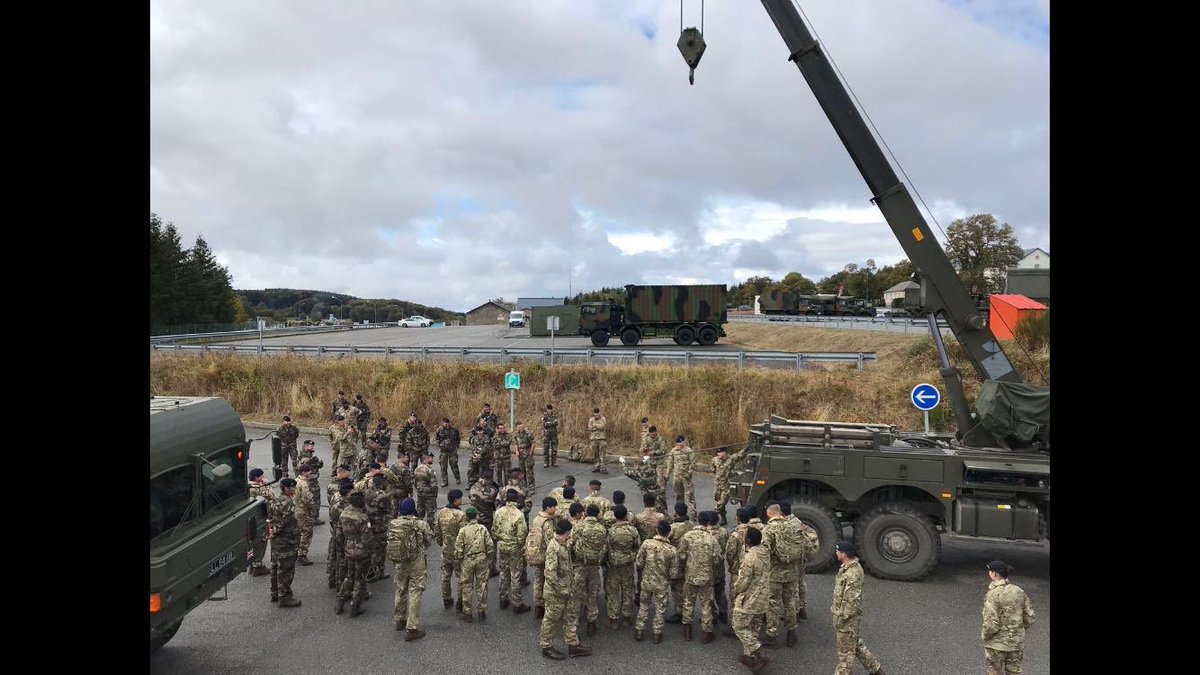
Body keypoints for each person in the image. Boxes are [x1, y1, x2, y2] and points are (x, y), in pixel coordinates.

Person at [540, 519, 592, 660]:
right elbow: (550, 574)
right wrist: (561, 589)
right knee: (551, 619)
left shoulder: (563, 543)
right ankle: (546, 647)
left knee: (570, 617)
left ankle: (573, 645)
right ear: (566, 532)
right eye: (570, 533)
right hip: (556, 592)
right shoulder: (554, 547)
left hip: (567, 590)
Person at [831, 541, 885, 675]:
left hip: (847, 619)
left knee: (845, 654)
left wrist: (841, 619)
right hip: (849, 618)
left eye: (838, 551)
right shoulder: (848, 567)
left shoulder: (852, 574)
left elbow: (851, 601)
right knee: (857, 646)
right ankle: (876, 670)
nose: (836, 553)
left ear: (844, 554)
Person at [387, 498, 433, 641]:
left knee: (400, 589)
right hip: (416, 561)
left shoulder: (393, 523)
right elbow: (428, 541)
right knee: (415, 591)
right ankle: (411, 627)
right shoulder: (420, 524)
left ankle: (399, 619)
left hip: (400, 562)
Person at [982, 560, 1036, 675]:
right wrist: (1018, 630)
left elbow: (991, 624)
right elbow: (1030, 617)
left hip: (997, 645)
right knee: (1015, 672)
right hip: (1016, 643)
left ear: (995, 574)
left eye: (990, 571)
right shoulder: (1019, 591)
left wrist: (985, 636)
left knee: (995, 672)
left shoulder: (992, 595)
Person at [732, 527, 772, 673]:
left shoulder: (750, 558)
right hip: (764, 597)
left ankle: (759, 652)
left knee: (739, 626)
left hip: (751, 598)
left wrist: (737, 589)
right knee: (753, 627)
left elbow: (743, 583)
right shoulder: (765, 552)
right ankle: (750, 657)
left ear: (748, 540)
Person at [677, 511, 722, 643]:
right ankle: (706, 632)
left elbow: (681, 556)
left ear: (697, 521)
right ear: (708, 523)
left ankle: (687, 630)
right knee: (706, 604)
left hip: (690, 575)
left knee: (688, 602)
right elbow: (717, 559)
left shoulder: (687, 536)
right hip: (706, 577)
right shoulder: (712, 539)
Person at [762, 502, 801, 647]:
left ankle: (771, 635)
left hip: (775, 573)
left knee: (772, 603)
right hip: (792, 571)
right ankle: (791, 632)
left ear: (770, 513)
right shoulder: (795, 525)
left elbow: (764, 551)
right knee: (790, 602)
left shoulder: (769, 529)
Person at [634, 519, 679, 643]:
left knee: (644, 605)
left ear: (657, 530)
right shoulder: (672, 550)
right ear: (669, 533)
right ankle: (657, 634)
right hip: (662, 584)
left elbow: (639, 563)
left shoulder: (647, 543)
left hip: (647, 581)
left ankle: (639, 629)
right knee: (660, 608)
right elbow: (674, 573)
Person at [571, 504, 609, 637]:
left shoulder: (579, 526)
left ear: (586, 513)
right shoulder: (602, 529)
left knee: (576, 594)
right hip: (593, 566)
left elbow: (571, 543)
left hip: (579, 565)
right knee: (592, 594)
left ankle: (573, 625)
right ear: (598, 514)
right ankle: (591, 623)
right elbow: (604, 547)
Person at [492, 489, 531, 613]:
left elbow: (494, 530)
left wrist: (501, 539)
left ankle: (503, 599)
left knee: (503, 572)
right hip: (515, 548)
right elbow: (522, 534)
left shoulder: (499, 512)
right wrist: (521, 546)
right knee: (515, 575)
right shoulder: (519, 514)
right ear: (516, 500)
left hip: (503, 546)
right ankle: (517, 604)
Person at [337, 490, 373, 617]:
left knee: (349, 576)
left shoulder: (343, 514)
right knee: (360, 579)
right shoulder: (363, 518)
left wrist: (343, 547)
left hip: (348, 549)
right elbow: (367, 539)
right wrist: (371, 552)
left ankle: (340, 602)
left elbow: (339, 534)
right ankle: (355, 607)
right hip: (361, 552)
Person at [454, 506, 493, 622]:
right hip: (481, 558)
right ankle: (482, 611)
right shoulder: (482, 528)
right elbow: (490, 546)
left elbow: (458, 549)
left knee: (467, 586)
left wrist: (459, 560)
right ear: (476, 516)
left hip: (468, 560)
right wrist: (489, 559)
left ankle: (467, 612)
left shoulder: (463, 531)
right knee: (482, 585)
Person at [268, 478, 302, 607]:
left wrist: (273, 531)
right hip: (285, 540)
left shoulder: (275, 500)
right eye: (292, 487)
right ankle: (285, 597)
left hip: (276, 540)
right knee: (286, 569)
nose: (294, 489)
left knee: (275, 566)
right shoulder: (288, 503)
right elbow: (285, 522)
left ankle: (275, 592)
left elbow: (271, 517)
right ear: (286, 489)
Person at [604, 504, 640, 629]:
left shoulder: (610, 531)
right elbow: (637, 545)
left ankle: (613, 619)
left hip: (613, 565)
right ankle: (626, 616)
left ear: (615, 516)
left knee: (613, 591)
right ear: (626, 516)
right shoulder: (632, 530)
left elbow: (606, 547)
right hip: (628, 565)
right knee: (627, 590)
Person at [433, 489, 468, 610]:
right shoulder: (460, 515)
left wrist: (442, 543)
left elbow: (436, 531)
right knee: (460, 576)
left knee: (446, 575)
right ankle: (460, 601)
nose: (461, 500)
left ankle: (446, 598)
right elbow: (464, 534)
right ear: (456, 500)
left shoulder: (441, 512)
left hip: (446, 549)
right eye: (460, 498)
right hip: (457, 551)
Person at [525, 497, 559, 619]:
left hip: (536, 554)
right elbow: (551, 542)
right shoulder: (548, 523)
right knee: (547, 581)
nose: (555, 509)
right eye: (554, 507)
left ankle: (538, 605)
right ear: (548, 508)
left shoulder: (537, 519)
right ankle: (546, 606)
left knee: (538, 580)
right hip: (545, 556)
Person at [712, 446, 748, 526]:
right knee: (718, 501)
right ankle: (723, 517)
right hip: (718, 484)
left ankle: (712, 516)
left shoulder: (731, 459)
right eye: (718, 452)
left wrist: (745, 449)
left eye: (720, 452)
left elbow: (740, 455)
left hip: (727, 485)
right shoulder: (715, 460)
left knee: (722, 502)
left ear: (725, 453)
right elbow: (713, 469)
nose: (719, 454)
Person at [247, 468, 273, 576]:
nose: (263, 477)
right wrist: (267, 485)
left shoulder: (248, 486)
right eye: (261, 476)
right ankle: (258, 565)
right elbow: (271, 496)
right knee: (261, 541)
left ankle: (252, 565)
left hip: (250, 518)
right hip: (260, 517)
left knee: (252, 542)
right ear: (257, 478)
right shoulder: (257, 488)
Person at [666, 435, 697, 521]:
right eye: (677, 443)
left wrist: (690, 472)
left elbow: (693, 463)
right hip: (677, 477)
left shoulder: (689, 451)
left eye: (680, 443)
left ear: (684, 441)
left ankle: (694, 514)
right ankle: (679, 513)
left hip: (686, 477)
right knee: (678, 496)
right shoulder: (673, 450)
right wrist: (667, 474)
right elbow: (670, 463)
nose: (679, 445)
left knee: (690, 496)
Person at [293, 464, 317, 565]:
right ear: (303, 472)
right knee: (306, 532)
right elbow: (308, 499)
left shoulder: (296, 481)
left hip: (295, 510)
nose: (310, 473)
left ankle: (295, 552)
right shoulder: (304, 484)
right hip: (303, 511)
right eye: (308, 471)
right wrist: (313, 509)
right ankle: (302, 554)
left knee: (298, 533)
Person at [435, 417, 462, 486]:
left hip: (452, 451)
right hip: (443, 451)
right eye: (445, 423)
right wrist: (439, 444)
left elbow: (458, 439)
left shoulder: (454, 430)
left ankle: (458, 478)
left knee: (454, 465)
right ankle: (445, 481)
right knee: (443, 466)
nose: (447, 425)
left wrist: (456, 447)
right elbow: (436, 439)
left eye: (448, 423)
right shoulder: (439, 430)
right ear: (443, 423)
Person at [514, 421, 537, 490]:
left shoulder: (528, 434)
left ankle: (531, 487)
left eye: (522, 427)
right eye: (519, 427)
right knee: (521, 472)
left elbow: (533, 443)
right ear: (517, 428)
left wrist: (531, 453)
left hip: (527, 456)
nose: (521, 428)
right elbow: (516, 443)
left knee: (529, 472)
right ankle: (523, 486)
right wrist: (516, 450)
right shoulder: (516, 435)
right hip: (520, 456)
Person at [587, 407, 608, 473]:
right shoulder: (591, 420)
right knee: (595, 454)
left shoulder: (603, 419)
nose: (596, 416)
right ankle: (597, 466)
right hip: (593, 439)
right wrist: (597, 426)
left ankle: (603, 468)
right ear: (593, 414)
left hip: (602, 439)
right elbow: (590, 428)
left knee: (602, 454)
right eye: (595, 415)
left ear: (600, 413)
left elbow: (602, 427)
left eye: (598, 415)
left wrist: (595, 425)